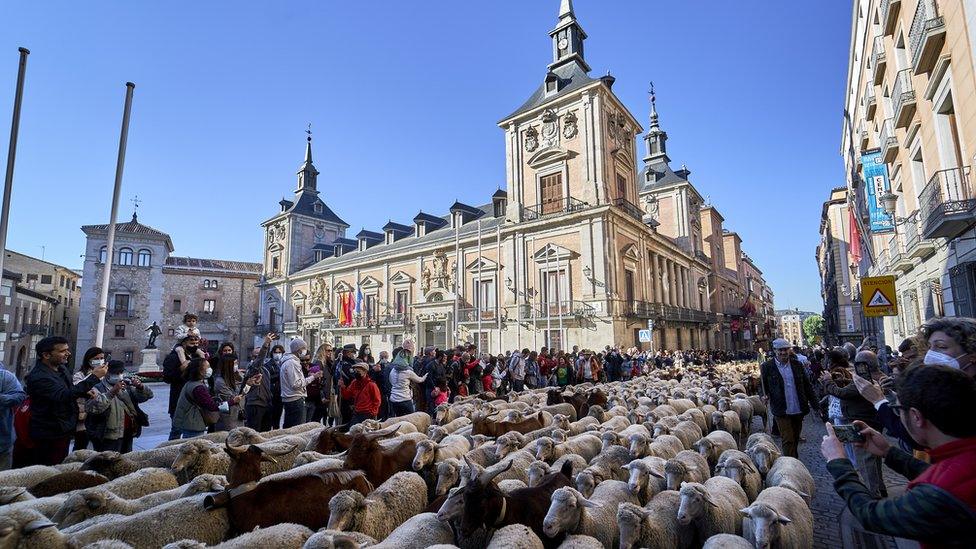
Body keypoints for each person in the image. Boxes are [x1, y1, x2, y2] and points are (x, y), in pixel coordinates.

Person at [820, 365, 976, 547]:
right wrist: (889, 452)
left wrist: (839, 463)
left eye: (898, 409)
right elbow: (940, 473)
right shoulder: (960, 459)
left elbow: (870, 515)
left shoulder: (939, 494)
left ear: (916, 417)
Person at [17, 337, 103, 466]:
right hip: (49, 432)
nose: (68, 353)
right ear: (46, 355)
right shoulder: (40, 377)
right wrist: (94, 377)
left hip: (63, 428)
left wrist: (84, 392)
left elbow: (68, 389)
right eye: (63, 351)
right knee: (49, 468)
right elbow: (62, 395)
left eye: (67, 350)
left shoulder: (61, 369)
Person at [820, 350, 886, 497]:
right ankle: (880, 487)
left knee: (865, 459)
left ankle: (872, 492)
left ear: (863, 365)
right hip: (874, 420)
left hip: (860, 422)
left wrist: (827, 380)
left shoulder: (863, 380)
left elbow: (840, 392)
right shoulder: (880, 376)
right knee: (874, 458)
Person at [759, 338, 818, 458]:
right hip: (781, 409)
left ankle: (794, 458)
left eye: (785, 350)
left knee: (795, 437)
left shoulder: (797, 365)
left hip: (798, 407)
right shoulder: (767, 366)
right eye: (780, 350)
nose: (783, 353)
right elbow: (762, 385)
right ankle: (789, 464)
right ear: (775, 350)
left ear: (789, 350)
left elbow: (807, 385)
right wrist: (763, 395)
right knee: (787, 439)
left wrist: (816, 405)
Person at [85, 360, 153, 452]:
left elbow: (147, 396)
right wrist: (112, 392)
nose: (119, 375)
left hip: (127, 432)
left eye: (121, 372)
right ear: (107, 373)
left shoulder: (127, 386)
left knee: (125, 462)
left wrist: (140, 387)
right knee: (108, 461)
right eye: (116, 373)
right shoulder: (98, 387)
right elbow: (93, 408)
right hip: (108, 435)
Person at [162, 334, 207, 440]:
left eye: (197, 343)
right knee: (176, 430)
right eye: (192, 343)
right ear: (184, 343)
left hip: (195, 400)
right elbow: (167, 378)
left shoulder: (196, 357)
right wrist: (181, 371)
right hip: (178, 398)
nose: (195, 345)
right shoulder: (173, 357)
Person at [172, 357, 219, 439]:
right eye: (207, 367)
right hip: (193, 424)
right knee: (193, 447)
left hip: (188, 422)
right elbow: (211, 406)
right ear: (199, 370)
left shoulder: (191, 383)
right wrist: (231, 402)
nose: (209, 369)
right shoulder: (198, 387)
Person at [280, 338, 320, 428]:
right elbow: (296, 384)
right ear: (299, 350)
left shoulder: (289, 362)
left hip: (291, 399)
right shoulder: (292, 363)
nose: (305, 351)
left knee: (290, 427)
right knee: (297, 429)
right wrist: (313, 377)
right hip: (295, 399)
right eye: (304, 348)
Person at [73, 347, 105, 452]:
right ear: (89, 360)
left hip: (101, 417)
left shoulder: (106, 375)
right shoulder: (79, 375)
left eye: (102, 358)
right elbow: (77, 388)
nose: (100, 360)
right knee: (81, 447)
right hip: (84, 418)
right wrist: (94, 375)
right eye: (96, 358)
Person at [243, 333, 276, 431]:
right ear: (253, 357)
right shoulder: (253, 367)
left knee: (265, 432)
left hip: (266, 404)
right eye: (256, 356)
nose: (260, 358)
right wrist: (265, 345)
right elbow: (260, 359)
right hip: (255, 404)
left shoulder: (266, 369)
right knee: (254, 432)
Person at [0, 363, 26, 470]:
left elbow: (20, 396)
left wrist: (1, 398)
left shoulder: (5, 376)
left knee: (3, 481)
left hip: (3, 443)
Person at [389, 341, 425, 417]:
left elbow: (390, 381)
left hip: (393, 398)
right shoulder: (408, 372)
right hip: (405, 399)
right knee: (411, 418)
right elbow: (420, 380)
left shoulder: (393, 370)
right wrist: (426, 375)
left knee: (399, 418)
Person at [213, 353, 246, 431]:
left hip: (238, 417)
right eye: (235, 364)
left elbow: (243, 393)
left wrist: (249, 383)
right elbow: (234, 398)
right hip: (227, 420)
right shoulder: (220, 381)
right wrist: (247, 384)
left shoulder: (237, 377)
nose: (236, 366)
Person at [340, 361, 381, 425]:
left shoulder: (371, 385)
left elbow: (377, 401)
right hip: (357, 412)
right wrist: (342, 387)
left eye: (358, 372)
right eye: (355, 371)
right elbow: (347, 395)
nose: (356, 373)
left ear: (365, 372)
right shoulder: (354, 382)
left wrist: (372, 412)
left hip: (367, 414)